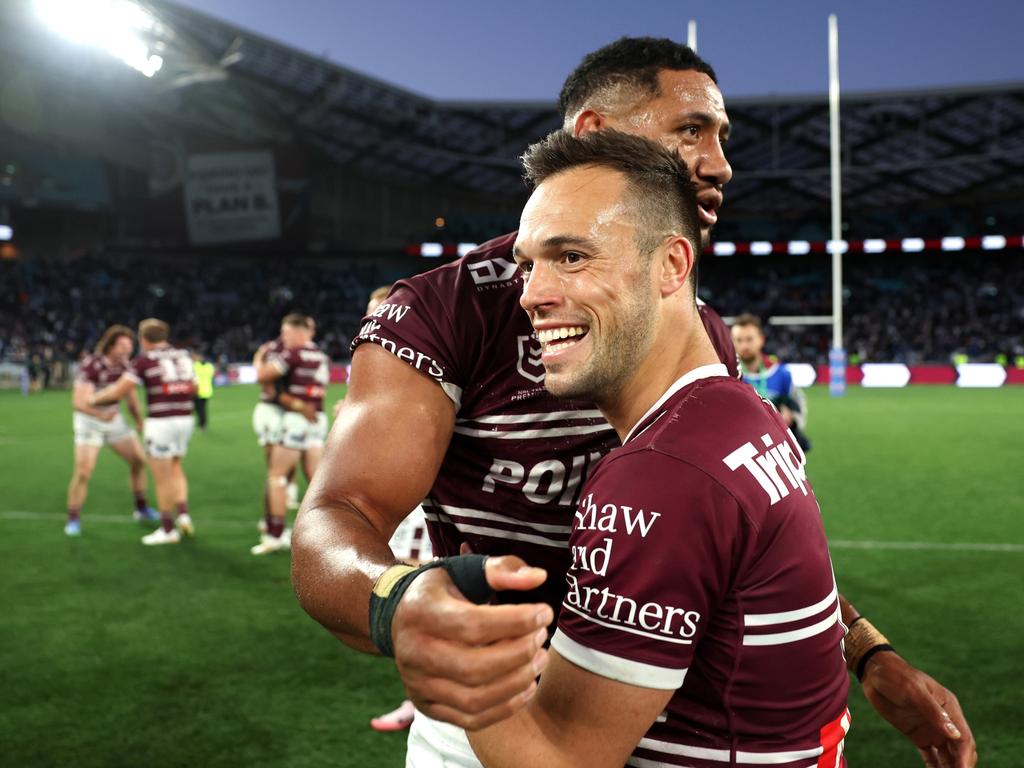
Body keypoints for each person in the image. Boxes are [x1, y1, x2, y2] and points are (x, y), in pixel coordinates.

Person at [292, 37, 975, 768]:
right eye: (690, 130)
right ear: (593, 134)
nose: (719, 163)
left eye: (720, 136)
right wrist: (396, 599)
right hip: (502, 704)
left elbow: (728, 528)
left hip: (663, 701)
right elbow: (338, 517)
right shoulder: (443, 312)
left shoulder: (699, 330)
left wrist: (865, 649)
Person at [465, 124, 849, 767]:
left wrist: (455, 667)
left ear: (672, 264)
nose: (529, 295)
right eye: (528, 264)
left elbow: (560, 760)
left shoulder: (661, 473)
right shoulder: (736, 407)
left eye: (572, 257)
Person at [92, 319, 196, 545]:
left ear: (143, 339)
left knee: (161, 478)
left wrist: (94, 398)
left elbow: (118, 392)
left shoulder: (144, 360)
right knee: (177, 467)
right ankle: (184, 515)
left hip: (161, 422)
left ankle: (168, 529)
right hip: (185, 419)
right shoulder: (183, 355)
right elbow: (194, 387)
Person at [65, 324, 158, 536]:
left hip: (113, 420)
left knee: (138, 461)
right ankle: (73, 519)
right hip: (89, 422)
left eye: (130, 344)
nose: (128, 349)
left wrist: (139, 422)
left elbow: (131, 397)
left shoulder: (126, 365)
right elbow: (79, 402)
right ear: (111, 345)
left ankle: (142, 508)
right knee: (83, 472)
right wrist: (100, 415)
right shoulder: (92, 365)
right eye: (123, 345)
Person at [252, 314, 329, 555]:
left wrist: (257, 360)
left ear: (298, 331)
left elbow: (263, 377)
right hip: (318, 418)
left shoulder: (292, 353)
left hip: (296, 420)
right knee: (318, 481)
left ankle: (274, 534)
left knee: (277, 477)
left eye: (286, 333)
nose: (284, 338)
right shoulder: (321, 354)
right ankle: (328, 535)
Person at [731, 313, 812, 450]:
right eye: (739, 340)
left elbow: (798, 404)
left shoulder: (780, 373)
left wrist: (792, 418)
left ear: (761, 340)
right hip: (743, 449)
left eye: (749, 339)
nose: (744, 345)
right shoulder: (729, 375)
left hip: (779, 449)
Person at [192, 352, 215, 431]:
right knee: (202, 408)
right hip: (207, 390)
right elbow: (212, 375)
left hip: (198, 391)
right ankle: (202, 423)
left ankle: (202, 424)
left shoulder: (195, 366)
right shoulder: (209, 366)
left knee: (198, 409)